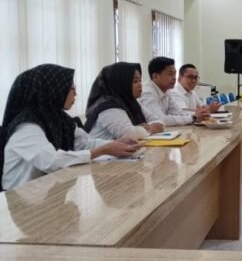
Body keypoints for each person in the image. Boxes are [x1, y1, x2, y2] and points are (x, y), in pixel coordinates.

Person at [0, 64, 141, 190]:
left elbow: (85, 143)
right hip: (18, 200)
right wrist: (103, 150)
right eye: (71, 88)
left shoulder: (59, 118)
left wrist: (116, 144)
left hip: (49, 191)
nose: (76, 93)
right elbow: (51, 161)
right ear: (53, 90)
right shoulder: (26, 125)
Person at [85, 62, 164, 140]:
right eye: (135, 81)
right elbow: (130, 135)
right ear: (120, 83)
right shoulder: (109, 107)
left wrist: (143, 128)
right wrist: (150, 128)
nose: (140, 85)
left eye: (140, 80)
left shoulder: (132, 103)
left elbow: (160, 122)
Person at [138, 57, 209, 126]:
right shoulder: (147, 93)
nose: (174, 78)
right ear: (155, 76)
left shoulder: (167, 91)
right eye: (170, 74)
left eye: (175, 74)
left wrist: (200, 115)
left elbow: (177, 112)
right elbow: (160, 120)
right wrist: (194, 117)